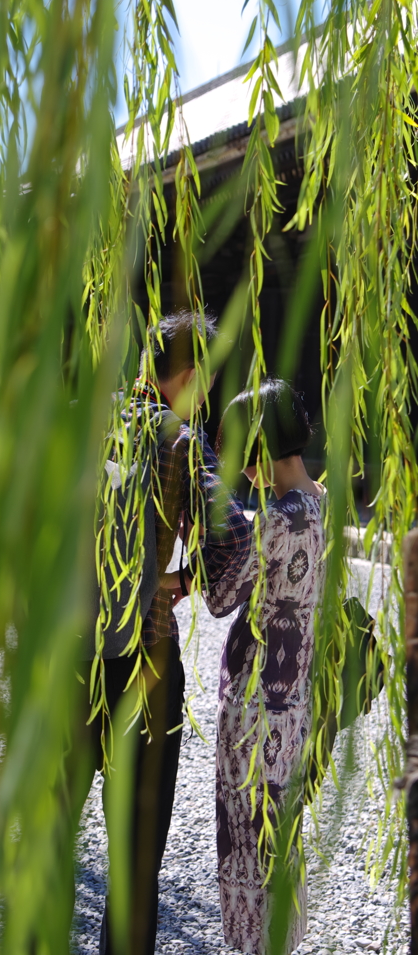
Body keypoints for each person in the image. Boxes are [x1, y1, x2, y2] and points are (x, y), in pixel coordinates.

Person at [65, 310, 252, 955]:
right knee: (136, 855)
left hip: (69, 656)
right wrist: (177, 584)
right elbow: (238, 545)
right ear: (193, 376)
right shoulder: (179, 441)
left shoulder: (87, 422)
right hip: (145, 662)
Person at [199, 378, 325, 955]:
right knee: (282, 846)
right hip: (293, 704)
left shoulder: (275, 517)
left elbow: (222, 595)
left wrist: (215, 516)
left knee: (247, 852)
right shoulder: (321, 504)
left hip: (251, 708)